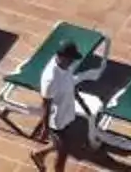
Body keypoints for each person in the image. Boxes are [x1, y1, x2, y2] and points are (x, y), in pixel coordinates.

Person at [36, 37, 99, 167]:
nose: (72, 62)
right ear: (61, 56)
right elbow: (46, 105)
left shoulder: (66, 66)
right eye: (70, 58)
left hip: (67, 111)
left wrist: (81, 102)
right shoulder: (51, 78)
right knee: (63, 152)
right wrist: (45, 128)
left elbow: (70, 83)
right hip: (56, 120)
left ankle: (39, 154)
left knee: (61, 145)